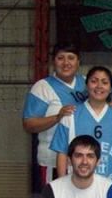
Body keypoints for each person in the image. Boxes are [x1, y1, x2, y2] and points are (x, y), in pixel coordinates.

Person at [51, 66, 112, 198]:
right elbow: (62, 153)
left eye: (104, 82)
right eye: (94, 81)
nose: (99, 86)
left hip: (110, 186)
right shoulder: (70, 116)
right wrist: (61, 184)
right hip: (76, 186)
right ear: (87, 85)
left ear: (111, 88)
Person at [22, 42, 87, 187]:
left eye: (71, 58)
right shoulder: (42, 87)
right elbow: (28, 124)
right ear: (53, 61)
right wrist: (57, 117)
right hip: (53, 161)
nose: (66, 63)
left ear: (78, 62)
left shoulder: (87, 84)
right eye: (60, 58)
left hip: (84, 161)